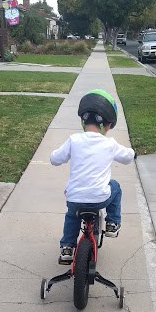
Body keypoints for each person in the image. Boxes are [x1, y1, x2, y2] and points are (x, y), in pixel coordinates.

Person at [50, 89, 135, 264]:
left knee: (72, 215)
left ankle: (67, 247)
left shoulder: (73, 140)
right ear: (107, 125)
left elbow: (55, 159)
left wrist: (55, 155)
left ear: (82, 121)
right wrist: (133, 153)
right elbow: (127, 157)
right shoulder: (109, 143)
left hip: (75, 198)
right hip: (100, 198)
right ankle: (112, 223)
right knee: (116, 187)